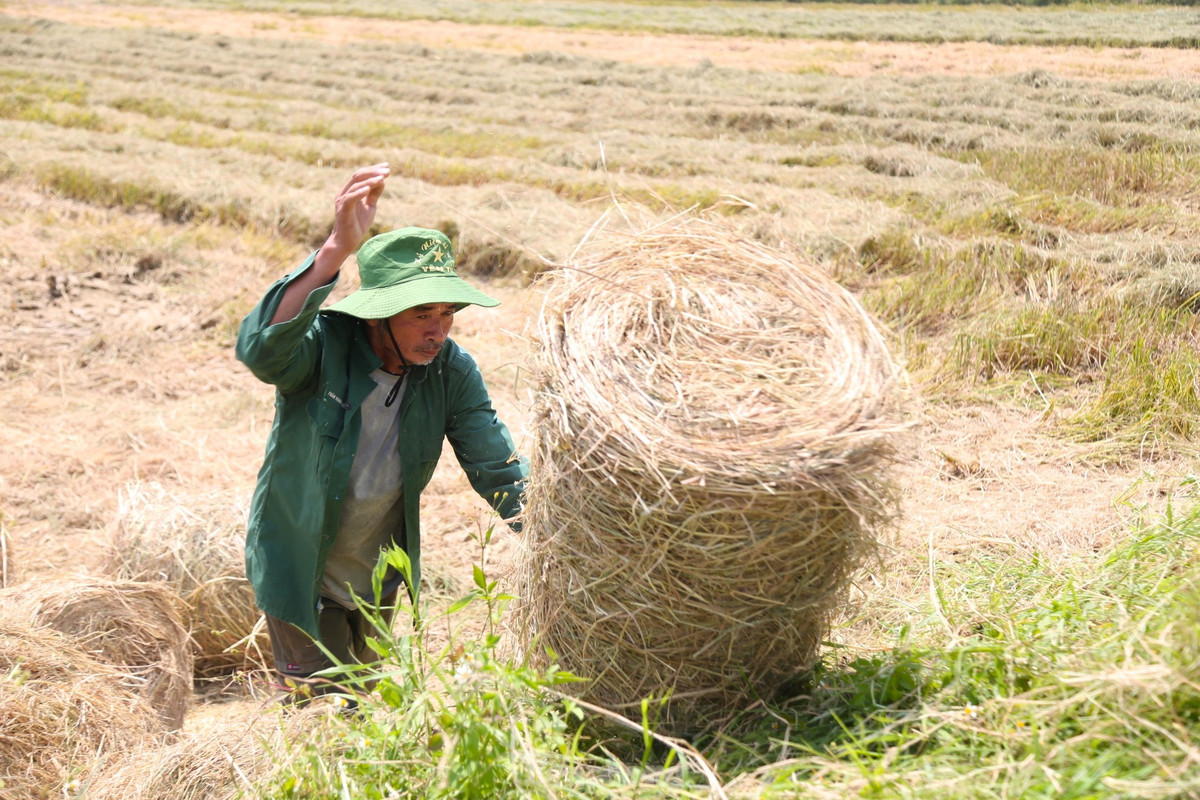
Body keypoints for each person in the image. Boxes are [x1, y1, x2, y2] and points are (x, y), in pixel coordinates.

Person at [236, 163, 527, 700]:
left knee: (365, 709)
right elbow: (260, 350)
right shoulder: (324, 351)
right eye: (420, 313)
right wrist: (333, 252)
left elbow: (496, 467)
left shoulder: (451, 371)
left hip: (376, 576)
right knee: (321, 715)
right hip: (302, 567)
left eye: (446, 313)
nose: (437, 330)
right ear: (378, 315)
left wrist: (563, 536)